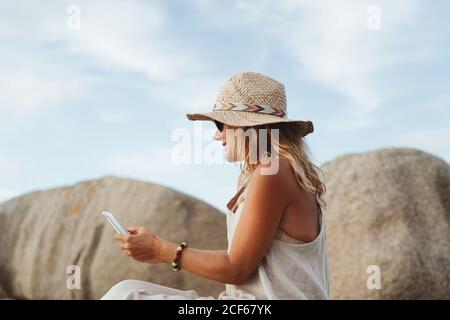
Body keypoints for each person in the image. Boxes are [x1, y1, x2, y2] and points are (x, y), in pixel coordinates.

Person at [100, 71, 330, 300]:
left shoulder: (274, 171)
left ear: (248, 127)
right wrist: (160, 251)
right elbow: (242, 261)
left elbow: (236, 268)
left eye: (220, 124)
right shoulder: (276, 171)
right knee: (124, 290)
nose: (216, 136)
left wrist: (160, 250)